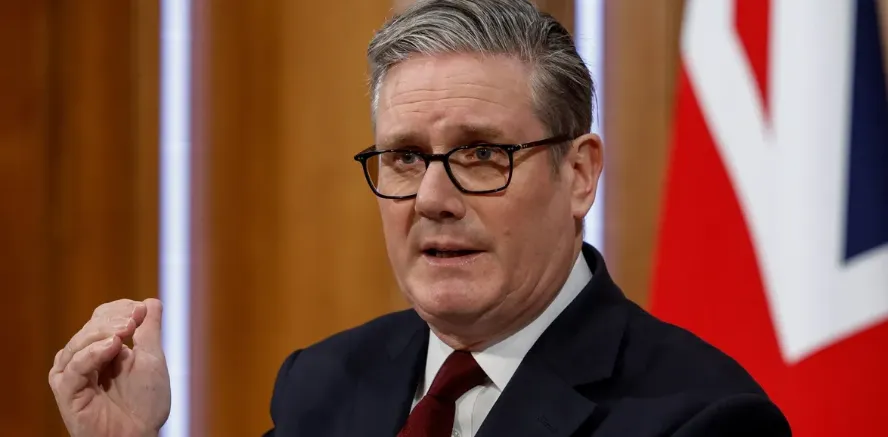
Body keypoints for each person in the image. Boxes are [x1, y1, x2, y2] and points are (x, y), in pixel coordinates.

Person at [47, 0, 792, 436]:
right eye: (405, 157)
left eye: (481, 153)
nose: (433, 197)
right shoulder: (322, 385)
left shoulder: (699, 420)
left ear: (579, 173)